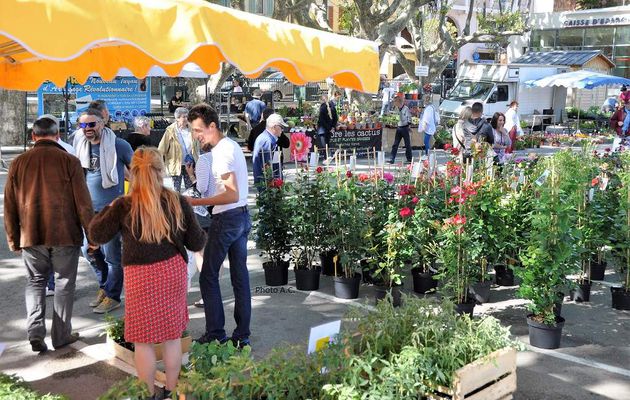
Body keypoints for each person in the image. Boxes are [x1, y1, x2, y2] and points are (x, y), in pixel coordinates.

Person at [89, 147, 206, 399]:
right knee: (172, 337)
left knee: (143, 341)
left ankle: (149, 394)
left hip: (139, 276)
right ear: (161, 170)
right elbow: (197, 242)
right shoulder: (177, 200)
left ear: (132, 172)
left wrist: (108, 208)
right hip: (172, 271)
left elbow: (96, 234)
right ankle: (171, 391)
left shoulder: (123, 204)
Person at [4, 116, 94, 352]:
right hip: (65, 234)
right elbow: (83, 204)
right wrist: (92, 236)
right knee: (64, 284)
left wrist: (13, 238)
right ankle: (61, 335)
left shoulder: (18, 163)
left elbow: (10, 206)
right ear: (57, 136)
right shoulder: (70, 161)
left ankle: (35, 333)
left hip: (31, 235)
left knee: (35, 282)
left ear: (33, 136)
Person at [186, 103, 252, 349]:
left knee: (208, 277)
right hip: (241, 217)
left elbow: (231, 194)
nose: (196, 136)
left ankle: (216, 333)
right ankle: (242, 335)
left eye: (198, 130)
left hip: (228, 218)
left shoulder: (222, 151)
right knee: (240, 277)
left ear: (212, 126)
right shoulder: (230, 146)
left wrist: (194, 201)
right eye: (194, 131)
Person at [73, 108, 134, 314]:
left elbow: (137, 173)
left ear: (102, 123)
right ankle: (104, 286)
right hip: (89, 211)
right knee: (88, 250)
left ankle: (113, 296)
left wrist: (130, 199)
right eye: (83, 125)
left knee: (112, 257)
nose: (87, 129)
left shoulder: (119, 145)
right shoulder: (79, 146)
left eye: (91, 124)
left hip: (112, 211)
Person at [158, 107, 199, 193]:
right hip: (176, 165)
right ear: (177, 118)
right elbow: (162, 148)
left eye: (187, 116)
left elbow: (197, 146)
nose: (186, 119)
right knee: (175, 191)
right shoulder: (170, 131)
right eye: (183, 117)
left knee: (190, 189)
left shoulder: (192, 129)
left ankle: (189, 206)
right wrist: (159, 165)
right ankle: (176, 206)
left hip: (190, 164)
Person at [253, 114, 288, 191]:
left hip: (269, 183)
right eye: (281, 127)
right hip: (267, 185)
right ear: (274, 127)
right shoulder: (267, 140)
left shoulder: (267, 138)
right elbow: (267, 167)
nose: (282, 130)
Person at [388, 96, 412, 164]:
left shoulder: (406, 108)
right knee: (395, 144)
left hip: (405, 127)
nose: (394, 103)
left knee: (407, 144)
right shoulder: (396, 108)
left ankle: (409, 159)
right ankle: (392, 159)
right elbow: (396, 117)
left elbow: (409, 118)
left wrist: (409, 126)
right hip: (399, 127)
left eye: (395, 101)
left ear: (398, 102)